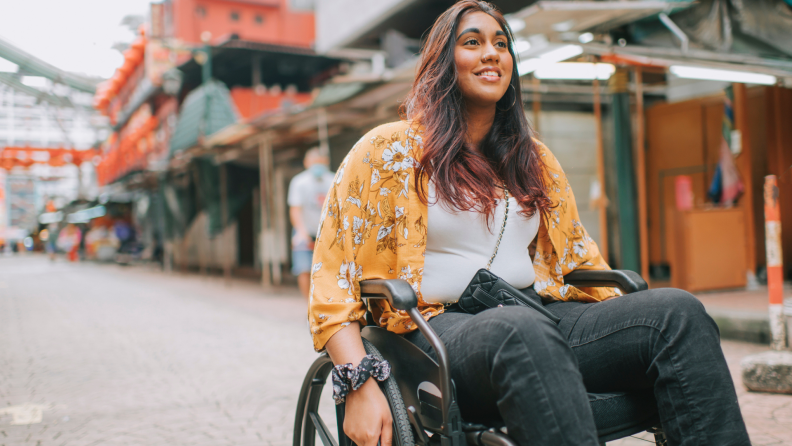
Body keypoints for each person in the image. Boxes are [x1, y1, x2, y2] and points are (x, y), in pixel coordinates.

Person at [307, 2, 750, 445]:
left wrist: (623, 326)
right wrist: (358, 380)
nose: (492, 53)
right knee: (521, 330)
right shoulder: (386, 151)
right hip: (433, 329)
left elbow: (579, 258)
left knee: (676, 313)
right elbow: (334, 279)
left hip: (534, 312)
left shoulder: (534, 159)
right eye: (473, 42)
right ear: (443, 61)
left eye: (502, 44)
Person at [288, 147, 335, 298]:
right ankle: (309, 306)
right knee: (303, 269)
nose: (318, 165)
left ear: (326, 162)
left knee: (331, 269)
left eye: (320, 162)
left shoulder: (334, 179)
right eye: (314, 162)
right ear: (306, 163)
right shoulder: (299, 182)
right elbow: (295, 209)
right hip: (304, 230)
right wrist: (301, 232)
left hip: (327, 233)